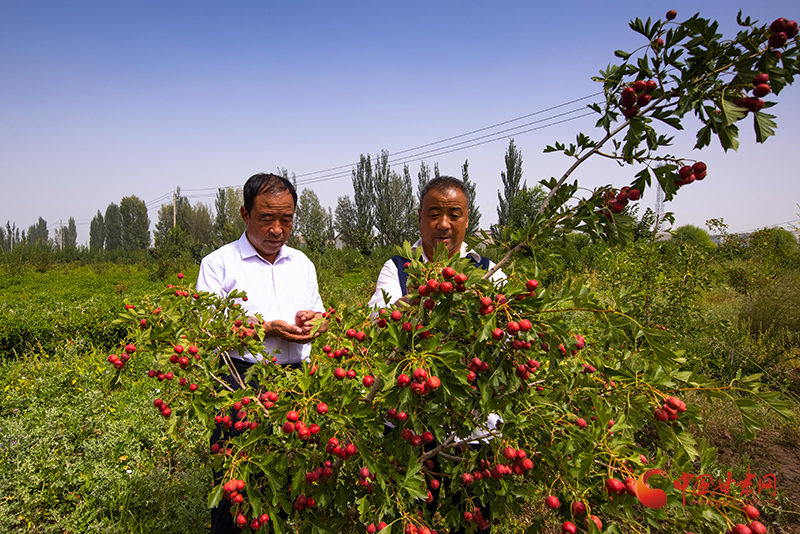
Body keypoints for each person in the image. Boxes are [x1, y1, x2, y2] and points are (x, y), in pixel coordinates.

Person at [368, 175, 501, 534]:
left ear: (467, 219)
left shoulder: (489, 272)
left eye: (454, 214)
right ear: (420, 217)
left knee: (473, 522)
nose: (444, 224)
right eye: (434, 214)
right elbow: (380, 321)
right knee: (406, 521)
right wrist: (427, 288)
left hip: (473, 428)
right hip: (409, 428)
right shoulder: (397, 268)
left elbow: (505, 336)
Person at [196, 172, 327, 534]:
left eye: (286, 219)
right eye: (267, 218)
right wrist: (265, 328)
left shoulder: (302, 264)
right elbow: (207, 332)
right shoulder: (218, 264)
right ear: (245, 214)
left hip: (295, 383)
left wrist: (318, 323)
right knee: (235, 482)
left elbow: (321, 314)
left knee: (284, 478)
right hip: (238, 380)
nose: (277, 229)